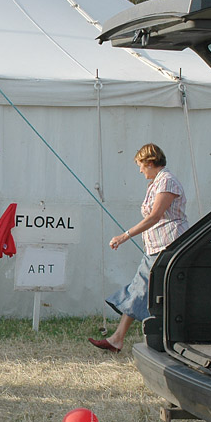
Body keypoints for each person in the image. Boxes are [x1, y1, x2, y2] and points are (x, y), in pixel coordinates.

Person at [89, 143, 189, 353]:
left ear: (151, 163)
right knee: (141, 288)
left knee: (142, 289)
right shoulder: (157, 182)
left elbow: (154, 216)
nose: (140, 170)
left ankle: (121, 339)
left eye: (141, 165)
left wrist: (125, 235)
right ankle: (118, 339)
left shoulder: (167, 182)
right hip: (156, 246)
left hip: (167, 245)